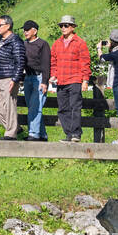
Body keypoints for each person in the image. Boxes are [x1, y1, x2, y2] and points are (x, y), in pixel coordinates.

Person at [50, 14, 91, 142]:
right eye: (61, 25)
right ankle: (69, 134)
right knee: (62, 109)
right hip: (61, 81)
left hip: (75, 79)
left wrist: (85, 80)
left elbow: (85, 62)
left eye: (65, 25)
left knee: (75, 107)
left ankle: (76, 134)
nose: (63, 28)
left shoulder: (80, 43)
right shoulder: (57, 43)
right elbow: (53, 61)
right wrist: (53, 74)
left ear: (72, 27)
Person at [0, 15, 26, 140]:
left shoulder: (16, 41)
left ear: (8, 26)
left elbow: (20, 62)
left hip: (9, 78)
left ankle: (10, 134)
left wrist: (15, 79)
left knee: (9, 105)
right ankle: (15, 127)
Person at [21, 20, 51, 141]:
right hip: (28, 78)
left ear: (35, 30)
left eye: (28, 29)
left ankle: (33, 134)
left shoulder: (42, 44)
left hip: (39, 78)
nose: (25, 31)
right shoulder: (23, 44)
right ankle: (42, 135)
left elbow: (46, 64)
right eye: (24, 29)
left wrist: (44, 82)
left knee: (35, 107)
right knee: (32, 107)